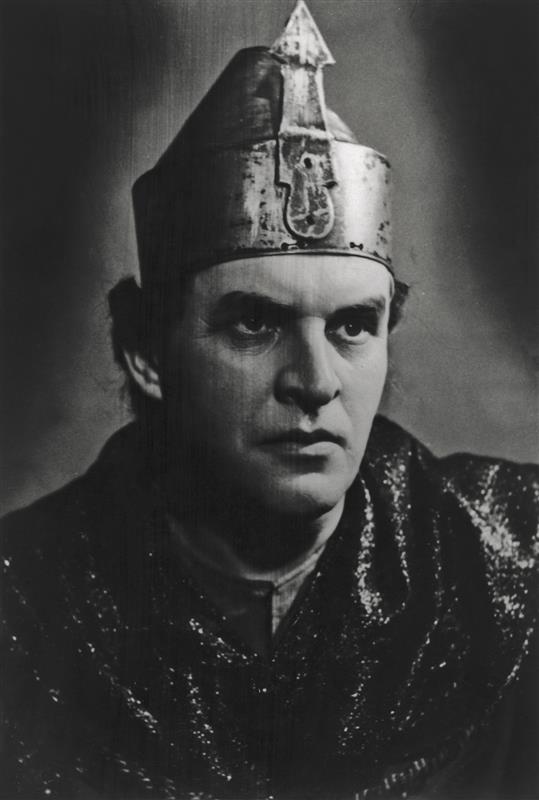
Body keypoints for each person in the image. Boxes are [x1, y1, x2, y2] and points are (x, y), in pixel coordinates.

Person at [1, 2, 537, 798]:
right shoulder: (24, 602)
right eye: (254, 323)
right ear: (147, 351)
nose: (314, 381)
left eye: (353, 326)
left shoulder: (511, 562)